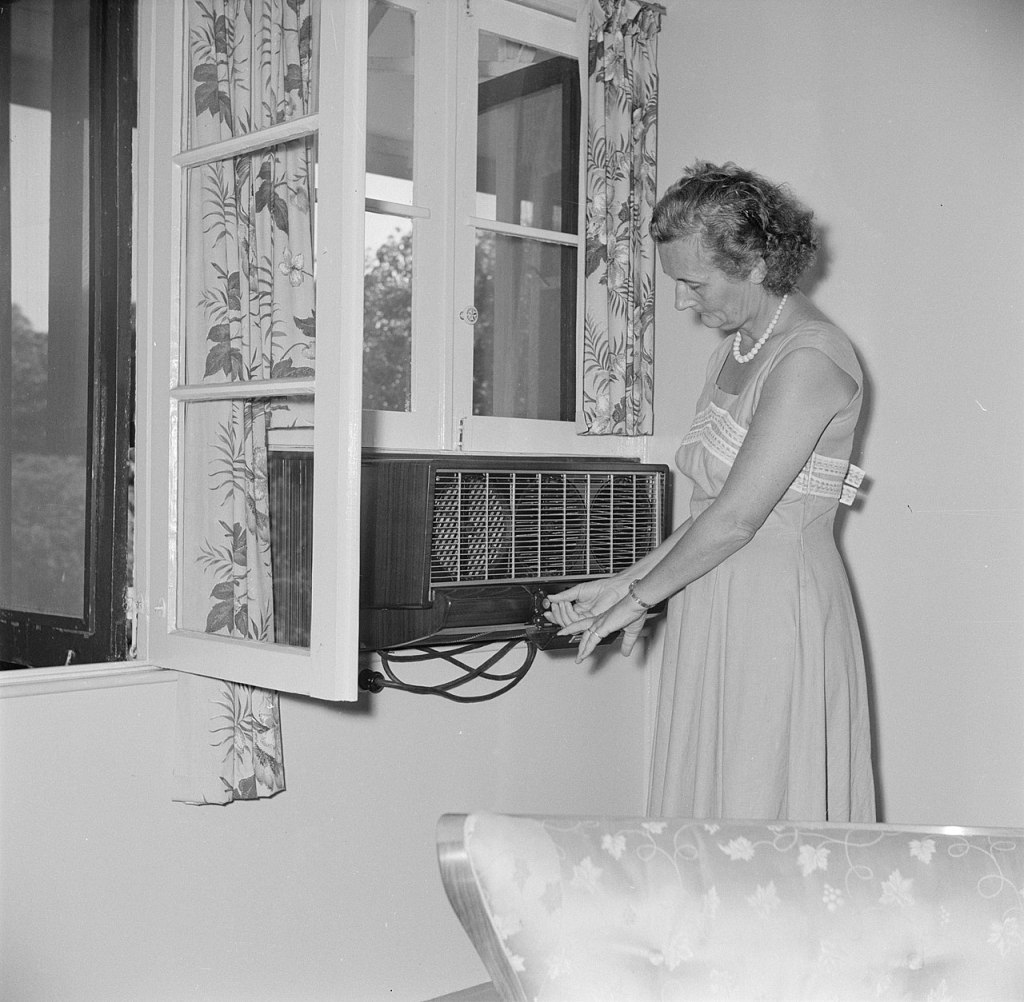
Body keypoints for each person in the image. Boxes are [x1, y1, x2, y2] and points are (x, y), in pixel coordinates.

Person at [546, 161, 875, 823]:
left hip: (777, 610)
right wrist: (626, 586)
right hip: (712, 595)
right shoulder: (734, 352)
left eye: (693, 283)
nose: (681, 302)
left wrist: (640, 597)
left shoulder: (810, 359)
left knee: (760, 803)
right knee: (710, 800)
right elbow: (709, 510)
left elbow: (736, 520)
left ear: (755, 264)